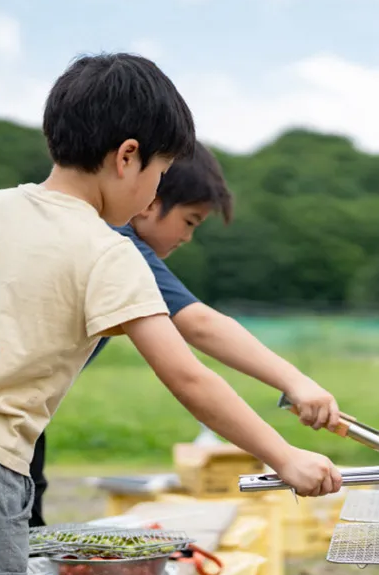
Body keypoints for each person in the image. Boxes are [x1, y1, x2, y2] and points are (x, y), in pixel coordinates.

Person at [0, 53, 341, 575]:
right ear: (127, 156)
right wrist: (284, 457)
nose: (154, 192)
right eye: (161, 172)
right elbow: (188, 376)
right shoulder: (109, 252)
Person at [29, 140, 342, 527]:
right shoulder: (116, 244)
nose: (188, 237)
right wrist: (294, 386)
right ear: (149, 198)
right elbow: (197, 328)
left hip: (17, 417)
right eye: (190, 221)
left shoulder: (35, 217)